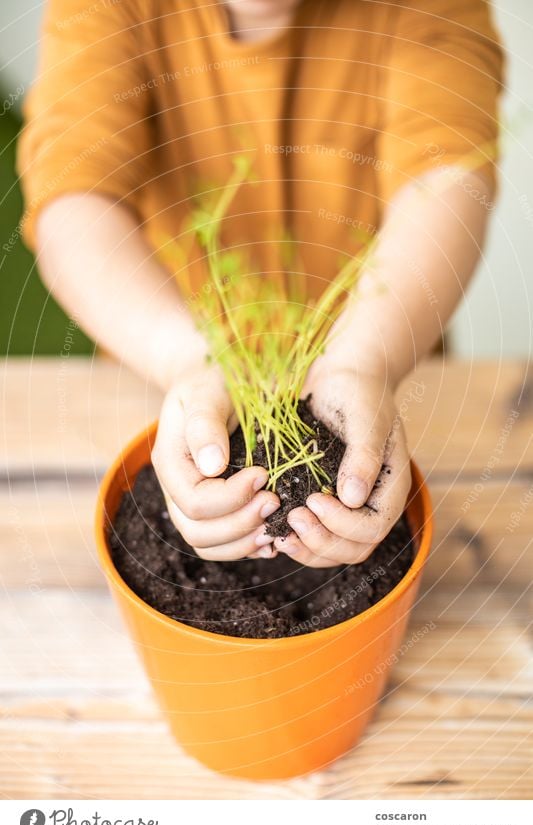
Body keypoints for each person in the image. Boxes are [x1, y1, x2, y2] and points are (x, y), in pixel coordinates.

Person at [18, 0, 504, 567]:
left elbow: (448, 176)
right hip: (159, 373)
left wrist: (365, 360)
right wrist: (187, 360)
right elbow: (74, 198)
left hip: (387, 366)